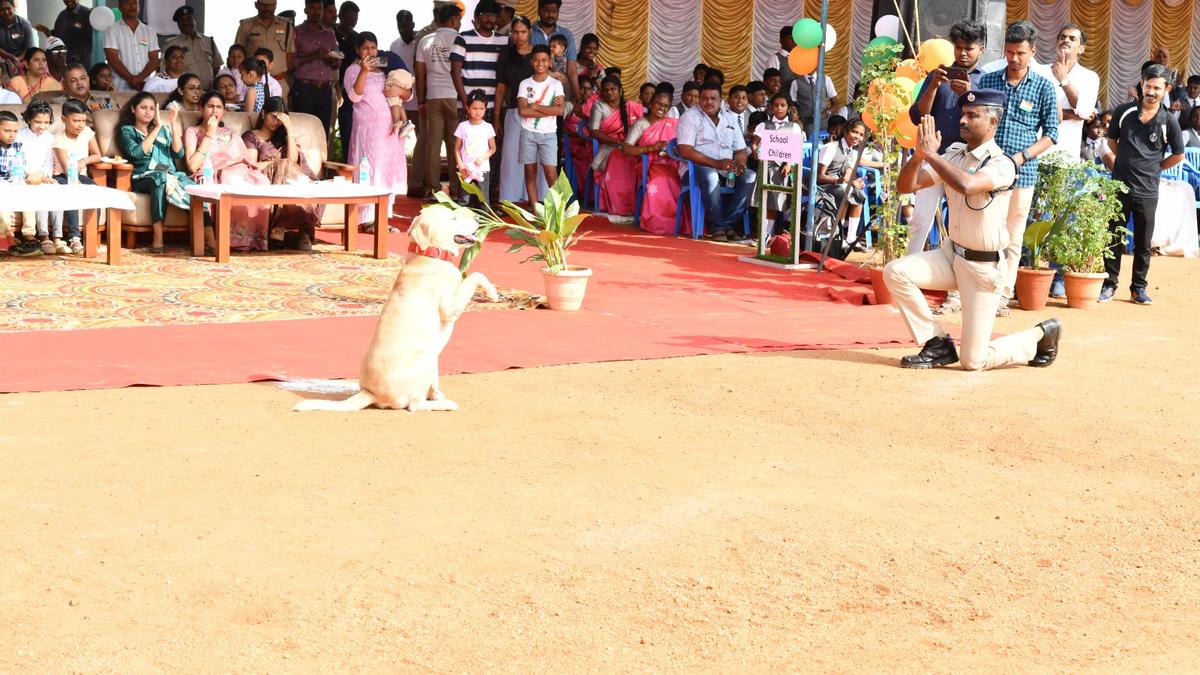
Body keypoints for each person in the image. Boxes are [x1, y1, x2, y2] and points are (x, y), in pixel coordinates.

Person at [885, 91, 1061, 371]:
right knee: (896, 272)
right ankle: (937, 343)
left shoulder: (1002, 164)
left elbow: (967, 185)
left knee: (973, 361)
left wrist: (932, 155)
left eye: (972, 115)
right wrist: (919, 157)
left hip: (982, 269)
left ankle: (1038, 336)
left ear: (992, 122)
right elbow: (906, 186)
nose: (962, 120)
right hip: (951, 256)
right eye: (963, 114)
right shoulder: (954, 154)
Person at [978, 21, 1059, 316]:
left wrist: (1022, 157)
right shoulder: (988, 82)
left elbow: (1051, 133)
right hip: (987, 172)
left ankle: (1003, 294)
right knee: (983, 234)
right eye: (1010, 52)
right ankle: (977, 289)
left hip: (1022, 174)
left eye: (1020, 53)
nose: (1014, 59)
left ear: (1032, 52)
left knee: (1012, 236)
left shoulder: (1043, 87)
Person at [1101, 64, 1185, 306]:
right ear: (1142, 83)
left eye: (1157, 88)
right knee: (1113, 236)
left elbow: (1178, 154)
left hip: (1148, 190)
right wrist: (1126, 163)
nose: (1151, 91)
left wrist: (1155, 167)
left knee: (1143, 242)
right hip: (1120, 186)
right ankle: (1109, 284)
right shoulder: (1124, 111)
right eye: (1148, 86)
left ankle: (1138, 288)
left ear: (1166, 89)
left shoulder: (1169, 121)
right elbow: (1112, 141)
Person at [906, 20, 987, 264]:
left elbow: (988, 121)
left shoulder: (987, 81)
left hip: (968, 163)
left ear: (981, 49)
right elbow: (918, 116)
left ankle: (956, 276)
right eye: (958, 47)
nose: (963, 53)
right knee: (920, 218)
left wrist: (968, 92)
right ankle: (909, 268)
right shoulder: (936, 75)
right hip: (935, 157)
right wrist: (932, 86)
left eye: (969, 48)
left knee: (960, 224)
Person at [184, 91, 271, 252]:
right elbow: (192, 166)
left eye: (219, 107)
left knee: (261, 181)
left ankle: (254, 239)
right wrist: (209, 134)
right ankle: (231, 239)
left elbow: (246, 160)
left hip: (238, 170)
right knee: (229, 177)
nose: (214, 111)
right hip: (213, 174)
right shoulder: (193, 132)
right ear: (201, 108)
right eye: (210, 106)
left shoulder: (230, 133)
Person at [676, 81, 757, 241]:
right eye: (704, 98)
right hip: (696, 170)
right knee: (710, 175)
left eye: (713, 98)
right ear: (699, 99)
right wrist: (716, 163)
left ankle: (727, 224)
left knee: (750, 176)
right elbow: (685, 150)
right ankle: (718, 227)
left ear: (721, 100)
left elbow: (740, 150)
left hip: (726, 169)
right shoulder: (690, 117)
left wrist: (740, 164)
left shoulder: (729, 118)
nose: (709, 102)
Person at [116, 92, 193, 252]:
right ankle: (158, 238)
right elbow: (137, 154)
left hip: (167, 173)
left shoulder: (164, 130)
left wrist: (173, 124)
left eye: (152, 108)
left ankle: (209, 238)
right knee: (160, 178)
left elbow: (178, 154)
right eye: (143, 107)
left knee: (192, 186)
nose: (148, 112)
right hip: (142, 176)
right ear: (133, 109)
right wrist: (157, 127)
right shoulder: (127, 131)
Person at [345, 32, 409, 223]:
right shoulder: (352, 70)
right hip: (368, 132)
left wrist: (400, 91)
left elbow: (407, 93)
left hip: (389, 132)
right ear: (358, 50)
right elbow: (354, 97)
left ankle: (382, 219)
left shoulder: (384, 67)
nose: (370, 51)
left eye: (373, 47)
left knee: (385, 171)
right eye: (366, 48)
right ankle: (366, 220)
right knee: (369, 170)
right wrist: (364, 71)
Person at [243, 96, 321, 251]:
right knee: (286, 166)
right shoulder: (251, 136)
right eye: (273, 116)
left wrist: (289, 130)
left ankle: (285, 227)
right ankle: (300, 231)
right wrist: (275, 164)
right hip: (266, 177)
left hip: (289, 177)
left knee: (292, 170)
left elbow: (292, 161)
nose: (276, 122)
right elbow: (252, 166)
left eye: (280, 119)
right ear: (264, 113)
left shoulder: (284, 138)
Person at [416, 3, 463, 200]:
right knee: (456, 145)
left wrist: (421, 101)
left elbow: (419, 74)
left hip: (433, 96)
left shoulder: (426, 40)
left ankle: (433, 189)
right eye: (458, 20)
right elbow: (461, 71)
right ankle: (456, 188)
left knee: (433, 146)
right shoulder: (459, 39)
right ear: (453, 20)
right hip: (454, 97)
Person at [1032, 24, 1099, 161]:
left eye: (1072, 38)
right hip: (1036, 153)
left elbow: (1085, 112)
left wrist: (1063, 79)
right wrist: (1072, 114)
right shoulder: (1038, 71)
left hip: (1066, 156)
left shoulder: (1090, 77)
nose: (1066, 40)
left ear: (1081, 49)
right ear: (1056, 44)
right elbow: (1031, 107)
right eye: (1062, 37)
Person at [623, 90, 686, 235]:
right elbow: (626, 148)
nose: (662, 108)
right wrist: (650, 148)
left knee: (684, 181)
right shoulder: (641, 124)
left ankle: (679, 224)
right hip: (648, 166)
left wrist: (674, 150)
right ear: (651, 104)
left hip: (672, 165)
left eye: (666, 106)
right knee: (660, 182)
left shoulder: (674, 123)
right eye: (659, 104)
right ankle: (659, 224)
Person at [52, 98, 102, 255]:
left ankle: (91, 234)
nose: (80, 124)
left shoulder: (87, 132)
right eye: (76, 120)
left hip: (80, 174)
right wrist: (76, 177)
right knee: (73, 190)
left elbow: (98, 155)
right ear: (64, 119)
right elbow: (67, 170)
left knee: (94, 189)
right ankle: (74, 237)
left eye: (83, 120)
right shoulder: (59, 140)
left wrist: (84, 161)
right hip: (62, 175)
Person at [14, 101, 65, 256]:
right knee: (29, 190)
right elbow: (17, 160)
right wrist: (30, 175)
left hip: (41, 177)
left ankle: (58, 236)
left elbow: (48, 163)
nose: (42, 126)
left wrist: (42, 175)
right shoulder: (19, 136)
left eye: (46, 122)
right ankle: (42, 236)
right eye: (38, 122)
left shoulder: (49, 138)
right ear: (29, 119)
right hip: (23, 176)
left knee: (55, 189)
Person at [495, 15, 537, 202]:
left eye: (523, 32)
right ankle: (510, 199)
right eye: (515, 32)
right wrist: (496, 116)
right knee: (511, 157)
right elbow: (501, 86)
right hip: (513, 110)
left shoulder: (538, 55)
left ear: (530, 32)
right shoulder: (506, 54)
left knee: (535, 156)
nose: (519, 36)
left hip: (538, 113)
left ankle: (537, 199)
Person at [589, 75, 643, 220]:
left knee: (636, 160)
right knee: (619, 158)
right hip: (608, 147)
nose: (609, 93)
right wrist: (618, 143)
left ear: (620, 91)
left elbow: (644, 124)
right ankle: (618, 205)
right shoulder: (599, 106)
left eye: (613, 89)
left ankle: (634, 205)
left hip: (629, 146)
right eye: (606, 90)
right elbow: (594, 131)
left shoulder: (632, 107)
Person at [517, 44, 565, 206]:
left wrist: (536, 107)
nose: (540, 63)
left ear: (550, 62)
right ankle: (535, 210)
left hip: (549, 134)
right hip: (528, 133)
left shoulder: (555, 84)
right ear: (531, 62)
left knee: (551, 174)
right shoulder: (525, 84)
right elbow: (523, 111)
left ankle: (558, 211)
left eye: (544, 60)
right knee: (530, 173)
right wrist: (548, 110)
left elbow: (560, 111)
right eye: (537, 60)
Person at [752, 92, 804, 233]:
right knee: (766, 201)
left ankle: (768, 233)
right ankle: (764, 234)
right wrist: (756, 152)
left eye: (782, 105)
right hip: (767, 167)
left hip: (783, 168)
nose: (779, 108)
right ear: (771, 107)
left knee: (776, 202)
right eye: (776, 105)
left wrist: (788, 164)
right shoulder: (764, 125)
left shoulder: (794, 127)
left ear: (788, 107)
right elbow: (755, 144)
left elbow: (796, 149)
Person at [290, 0, 340, 134]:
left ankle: (321, 156)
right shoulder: (296, 32)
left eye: (319, 8)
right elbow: (291, 64)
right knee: (301, 130)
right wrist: (314, 55)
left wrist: (332, 59)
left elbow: (336, 65)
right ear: (305, 10)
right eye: (312, 8)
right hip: (304, 88)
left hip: (324, 89)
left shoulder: (329, 34)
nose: (316, 11)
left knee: (322, 131)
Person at [817, 119, 869, 242]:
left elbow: (848, 175)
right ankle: (837, 236)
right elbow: (819, 176)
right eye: (854, 132)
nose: (857, 137)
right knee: (846, 192)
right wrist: (837, 181)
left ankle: (851, 238)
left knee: (858, 194)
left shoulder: (853, 152)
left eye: (861, 135)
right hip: (824, 186)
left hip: (841, 185)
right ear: (845, 132)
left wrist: (854, 182)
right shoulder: (830, 148)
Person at [451, 0, 506, 119]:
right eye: (485, 15)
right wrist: (466, 102)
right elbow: (455, 72)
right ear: (477, 17)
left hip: (493, 106)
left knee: (492, 138)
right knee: (466, 137)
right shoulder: (463, 38)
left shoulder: (504, 41)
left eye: (493, 16)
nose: (489, 19)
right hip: (469, 105)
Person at [235, 0, 295, 100]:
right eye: (264, 5)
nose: (267, 9)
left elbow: (289, 54)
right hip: (253, 82)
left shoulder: (286, 25)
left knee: (279, 114)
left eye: (271, 6)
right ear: (256, 5)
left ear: (276, 5)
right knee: (252, 114)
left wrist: (276, 71)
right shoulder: (246, 26)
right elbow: (238, 54)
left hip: (279, 81)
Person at [103, 0, 159, 92]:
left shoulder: (150, 31)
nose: (132, 6)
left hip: (145, 87)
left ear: (139, 6)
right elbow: (113, 59)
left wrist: (140, 78)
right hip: (119, 87)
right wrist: (131, 79)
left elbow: (154, 60)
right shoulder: (112, 30)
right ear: (120, 7)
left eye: (134, 3)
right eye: (127, 3)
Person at [454, 89, 497, 205]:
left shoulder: (488, 127)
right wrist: (461, 166)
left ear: (485, 109)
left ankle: (482, 222)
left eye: (481, 109)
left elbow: (493, 147)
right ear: (468, 109)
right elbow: (457, 148)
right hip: (466, 170)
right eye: (474, 108)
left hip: (482, 169)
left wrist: (483, 157)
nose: (478, 112)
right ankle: (464, 222)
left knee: (483, 200)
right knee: (464, 200)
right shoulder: (462, 126)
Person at [163, 5, 221, 89]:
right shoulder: (170, 44)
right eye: (182, 20)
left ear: (195, 19)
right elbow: (165, 70)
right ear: (178, 24)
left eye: (189, 19)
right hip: (185, 93)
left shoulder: (209, 41)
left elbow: (216, 66)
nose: (186, 22)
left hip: (208, 92)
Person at [529, 0, 578, 101]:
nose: (550, 15)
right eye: (546, 11)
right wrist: (550, 74)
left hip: (559, 92)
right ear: (539, 11)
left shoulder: (566, 34)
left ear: (558, 13)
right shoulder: (529, 32)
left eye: (554, 11)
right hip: (534, 89)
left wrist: (578, 97)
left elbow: (572, 69)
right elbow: (525, 64)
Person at [334, 1, 360, 162]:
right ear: (340, 16)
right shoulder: (330, 34)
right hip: (330, 87)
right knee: (325, 130)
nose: (351, 24)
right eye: (349, 20)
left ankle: (347, 165)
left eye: (354, 20)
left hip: (349, 92)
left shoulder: (357, 39)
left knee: (348, 130)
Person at [35, 0, 91, 68]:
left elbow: (94, 39)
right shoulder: (62, 15)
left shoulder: (87, 13)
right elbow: (57, 38)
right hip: (64, 62)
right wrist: (46, 31)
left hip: (82, 64)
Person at [390, 10, 419, 130]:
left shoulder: (421, 42)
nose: (402, 30)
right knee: (401, 134)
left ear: (413, 24)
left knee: (422, 134)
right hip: (401, 103)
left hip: (419, 100)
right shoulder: (394, 46)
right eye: (400, 26)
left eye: (406, 26)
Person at [788, 68, 838, 138]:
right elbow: (793, 106)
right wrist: (797, 120)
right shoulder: (796, 82)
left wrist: (824, 114)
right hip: (806, 125)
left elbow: (836, 104)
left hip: (825, 125)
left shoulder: (826, 79)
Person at [0, 0, 34, 77]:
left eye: (8, 8)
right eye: (2, 9)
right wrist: (11, 58)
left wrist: (18, 59)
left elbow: (28, 47)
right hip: (3, 59)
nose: (6, 12)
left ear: (14, 8)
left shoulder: (25, 24)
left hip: (22, 58)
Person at [765, 27, 797, 96]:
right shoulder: (775, 58)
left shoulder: (799, 59)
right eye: (791, 38)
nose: (794, 41)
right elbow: (770, 84)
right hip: (781, 102)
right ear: (782, 41)